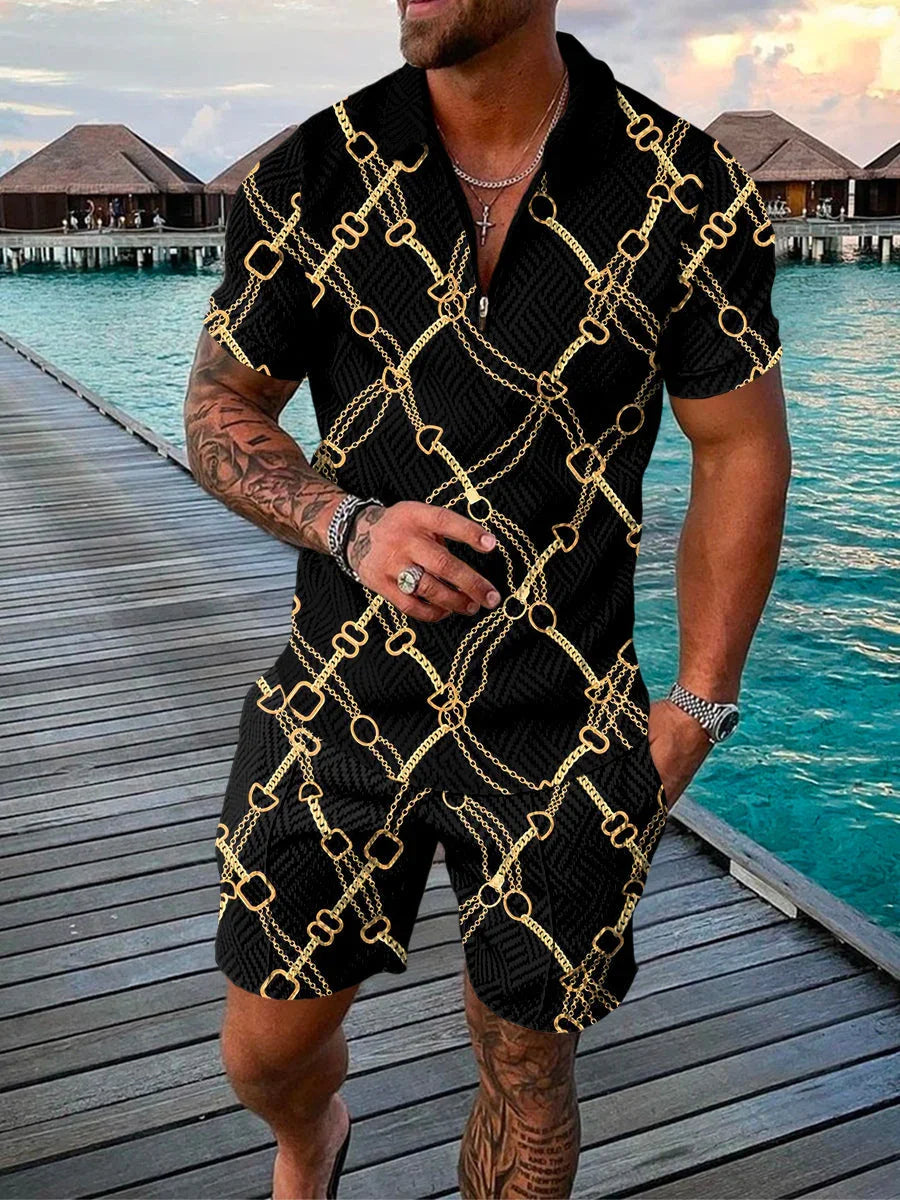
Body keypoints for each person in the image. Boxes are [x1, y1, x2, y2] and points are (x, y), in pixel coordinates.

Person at [184, 2, 790, 1197]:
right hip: (340, 700)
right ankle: (313, 1139)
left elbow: (739, 449)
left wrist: (700, 704)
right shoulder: (313, 174)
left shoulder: (683, 183)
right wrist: (344, 523)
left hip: (560, 721)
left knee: (527, 1070)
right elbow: (220, 410)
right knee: (266, 1049)